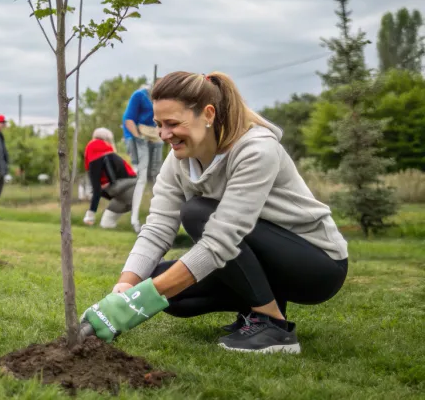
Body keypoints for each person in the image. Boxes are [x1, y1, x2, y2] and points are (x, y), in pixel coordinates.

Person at [81, 71, 349, 354]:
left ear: (207, 114)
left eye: (172, 123)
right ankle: (253, 311)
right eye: (159, 124)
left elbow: (221, 240)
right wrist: (126, 287)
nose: (163, 134)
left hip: (316, 265)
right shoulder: (178, 160)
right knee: (169, 288)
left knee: (197, 213)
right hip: (264, 257)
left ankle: (274, 327)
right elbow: (158, 227)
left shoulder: (256, 149)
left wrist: (141, 302)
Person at [122, 81, 164, 233]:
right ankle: (134, 220)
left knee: (156, 175)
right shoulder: (140, 95)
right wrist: (137, 137)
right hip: (139, 137)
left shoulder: (164, 100)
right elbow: (128, 120)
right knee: (142, 176)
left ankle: (158, 218)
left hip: (155, 136)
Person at [82, 128, 138, 229]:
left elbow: (97, 190)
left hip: (128, 190)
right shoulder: (110, 154)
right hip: (128, 192)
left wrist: (90, 215)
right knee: (106, 225)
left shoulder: (93, 153)